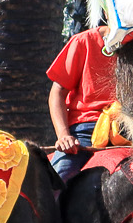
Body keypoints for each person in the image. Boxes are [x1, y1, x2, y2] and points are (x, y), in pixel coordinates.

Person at [46, 25, 114, 181]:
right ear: (107, 9)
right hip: (86, 129)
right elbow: (57, 93)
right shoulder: (84, 41)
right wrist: (64, 136)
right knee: (57, 182)